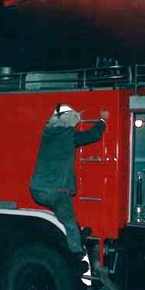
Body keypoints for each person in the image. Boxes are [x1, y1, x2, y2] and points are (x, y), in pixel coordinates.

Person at [29, 104, 108, 266]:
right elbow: (93, 135)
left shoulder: (47, 134)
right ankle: (76, 254)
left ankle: (77, 236)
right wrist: (102, 120)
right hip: (56, 191)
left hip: (37, 190)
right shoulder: (69, 136)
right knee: (69, 221)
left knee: (66, 216)